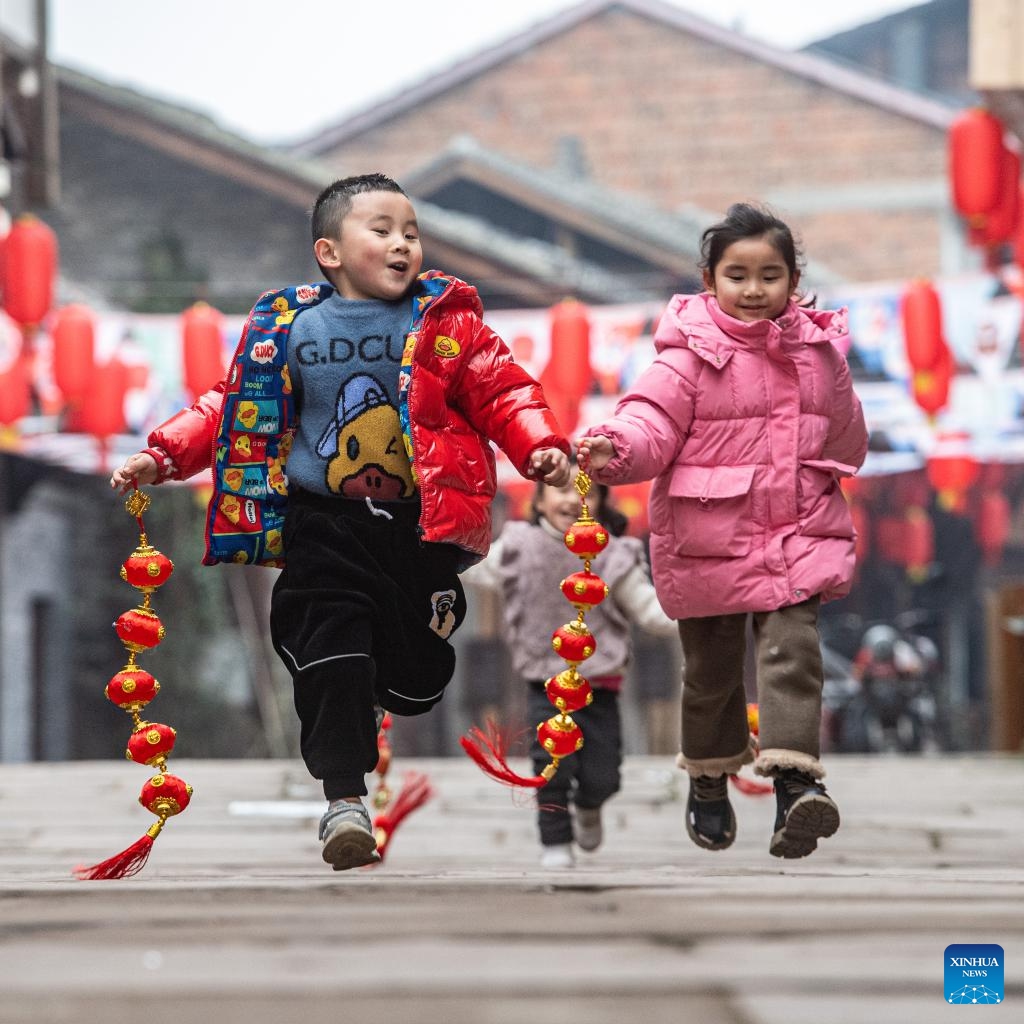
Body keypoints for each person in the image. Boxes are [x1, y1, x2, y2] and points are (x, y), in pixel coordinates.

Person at [111, 173, 571, 871]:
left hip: (419, 530)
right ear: (329, 251)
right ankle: (344, 800)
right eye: (381, 230)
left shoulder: (447, 323)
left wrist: (539, 446)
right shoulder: (288, 329)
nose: (402, 245)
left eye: (411, 233)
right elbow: (227, 406)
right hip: (322, 523)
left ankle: (380, 698)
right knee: (332, 647)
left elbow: (504, 390)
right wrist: (163, 453)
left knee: (415, 677)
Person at [577, 202, 868, 860]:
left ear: (794, 279)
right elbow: (647, 422)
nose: (754, 288)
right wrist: (614, 448)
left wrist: (824, 446)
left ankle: (796, 787)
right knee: (711, 673)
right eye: (738, 274)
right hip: (709, 536)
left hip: (797, 531)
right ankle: (708, 779)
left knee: (794, 652)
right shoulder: (686, 359)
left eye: (771, 274)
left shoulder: (819, 353)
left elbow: (848, 437)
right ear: (709, 279)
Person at [463, 472, 677, 869]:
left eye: (588, 493)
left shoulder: (613, 554)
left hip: (600, 683)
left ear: (600, 503)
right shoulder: (517, 548)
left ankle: (591, 804)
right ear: (539, 500)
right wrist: (433, 559)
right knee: (550, 765)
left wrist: (693, 614)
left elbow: (647, 608)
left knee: (603, 776)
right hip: (544, 682)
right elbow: (474, 569)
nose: (572, 500)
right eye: (559, 490)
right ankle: (556, 842)